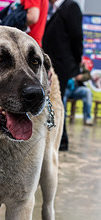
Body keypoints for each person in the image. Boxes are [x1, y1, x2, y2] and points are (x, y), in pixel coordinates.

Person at [42, 0, 83, 150]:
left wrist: (75, 62)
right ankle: (59, 139)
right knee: (53, 102)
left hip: (62, 65)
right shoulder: (52, 10)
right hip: (51, 65)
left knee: (59, 102)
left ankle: (62, 141)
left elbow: (77, 36)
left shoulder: (70, 6)